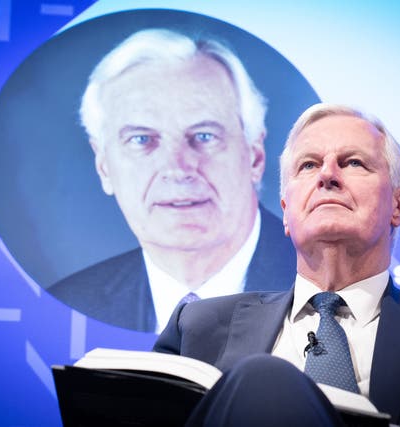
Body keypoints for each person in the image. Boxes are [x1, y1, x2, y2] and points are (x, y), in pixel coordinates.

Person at [153, 104, 400, 426]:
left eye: (352, 162)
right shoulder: (196, 327)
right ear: (286, 214)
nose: (327, 175)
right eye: (308, 165)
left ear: (399, 206)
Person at [49, 29, 295, 333]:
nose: (177, 168)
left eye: (204, 136)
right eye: (141, 139)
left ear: (255, 157)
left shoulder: (329, 285)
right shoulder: (69, 307)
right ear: (103, 167)